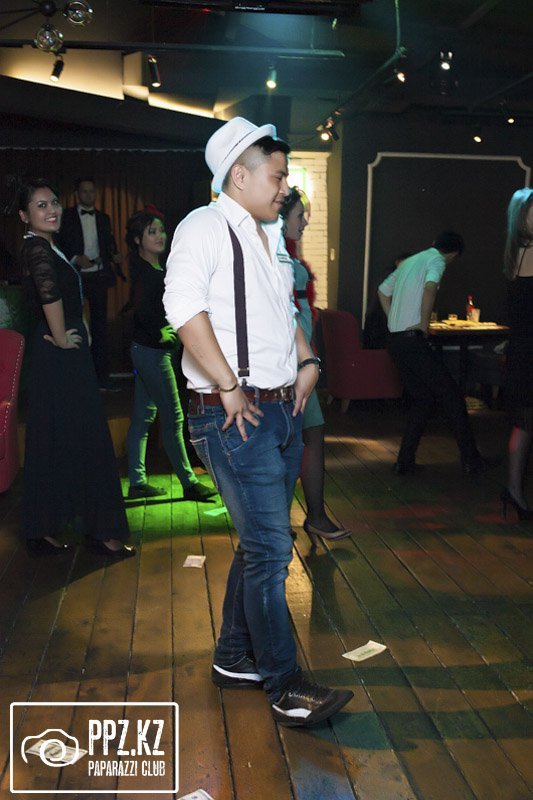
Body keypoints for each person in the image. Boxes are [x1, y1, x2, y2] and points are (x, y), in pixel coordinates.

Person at [163, 117, 353, 727]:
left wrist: (308, 361)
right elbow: (182, 308)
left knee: (259, 546)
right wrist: (227, 385)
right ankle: (284, 685)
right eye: (277, 176)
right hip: (234, 416)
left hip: (279, 409)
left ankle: (232, 658)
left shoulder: (268, 236)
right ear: (239, 177)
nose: (285, 188)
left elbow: (281, 311)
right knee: (272, 549)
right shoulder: (203, 226)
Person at [18, 179, 134, 557]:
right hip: (60, 355)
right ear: (24, 216)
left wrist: (80, 326)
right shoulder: (37, 248)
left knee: (57, 435)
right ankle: (100, 531)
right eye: (40, 205)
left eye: (53, 202)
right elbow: (48, 292)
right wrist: (63, 336)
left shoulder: (46, 245)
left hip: (61, 353)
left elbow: (65, 293)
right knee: (85, 435)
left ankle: (44, 527)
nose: (51, 209)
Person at [125, 208, 218, 502]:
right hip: (152, 354)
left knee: (143, 418)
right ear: (138, 239)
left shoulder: (152, 270)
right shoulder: (147, 272)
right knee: (173, 417)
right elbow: (139, 310)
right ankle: (189, 483)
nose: (160, 236)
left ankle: (137, 482)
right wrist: (160, 333)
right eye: (152, 232)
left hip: (144, 352)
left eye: (162, 230)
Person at [378, 231, 487, 475]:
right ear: (453, 254)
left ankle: (404, 462)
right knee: (452, 397)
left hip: (395, 341)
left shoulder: (410, 261)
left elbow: (383, 291)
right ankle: (471, 460)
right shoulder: (437, 260)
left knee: (423, 399)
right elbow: (429, 289)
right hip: (412, 341)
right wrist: (424, 324)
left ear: (435, 243)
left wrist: (393, 319)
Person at [281, 186, 351, 544]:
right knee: (301, 437)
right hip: (291, 362)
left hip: (300, 359)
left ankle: (306, 519)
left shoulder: (285, 256)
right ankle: (308, 519)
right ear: (282, 218)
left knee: (305, 436)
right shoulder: (279, 259)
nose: (305, 221)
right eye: (300, 215)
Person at [57, 177, 125, 391]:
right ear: (77, 194)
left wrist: (113, 257)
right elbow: (59, 243)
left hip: (98, 275)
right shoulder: (66, 216)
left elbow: (107, 244)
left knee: (100, 328)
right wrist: (76, 258)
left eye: (91, 191)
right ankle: (74, 379)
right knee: (74, 325)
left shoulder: (104, 218)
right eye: (84, 191)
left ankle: (101, 378)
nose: (88, 195)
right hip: (74, 276)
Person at [501, 188, 533, 520]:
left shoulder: (515, 254)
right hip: (527, 351)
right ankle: (514, 491)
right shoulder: (530, 252)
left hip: (521, 349)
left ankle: (513, 490)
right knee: (524, 424)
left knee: (523, 424)